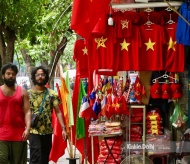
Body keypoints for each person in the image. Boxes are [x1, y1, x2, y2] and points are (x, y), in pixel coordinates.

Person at [28, 65, 67, 164]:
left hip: (47, 131)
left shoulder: (52, 94)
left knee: (45, 158)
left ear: (46, 77)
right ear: (34, 77)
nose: (40, 77)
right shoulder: (28, 94)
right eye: (38, 75)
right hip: (33, 130)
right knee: (35, 158)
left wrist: (63, 128)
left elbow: (58, 111)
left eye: (42, 75)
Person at [0, 63, 31, 164]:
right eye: (8, 73)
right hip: (1, 134)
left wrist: (27, 128)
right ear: (3, 75)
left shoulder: (22, 91)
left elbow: (27, 111)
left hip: (19, 134)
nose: (11, 76)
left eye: (13, 74)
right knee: (2, 159)